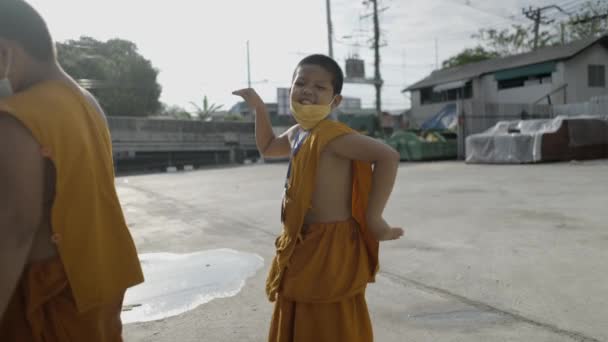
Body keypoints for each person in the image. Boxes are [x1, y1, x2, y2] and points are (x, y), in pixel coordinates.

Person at [233, 54, 403, 342]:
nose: (308, 90)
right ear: (290, 89)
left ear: (335, 101)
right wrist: (260, 109)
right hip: (301, 241)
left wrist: (374, 218)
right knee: (297, 307)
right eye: (300, 82)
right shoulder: (297, 133)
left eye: (320, 87)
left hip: (330, 245)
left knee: (329, 318)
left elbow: (387, 155)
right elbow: (268, 147)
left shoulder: (334, 136)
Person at [0, 1, 143, 341]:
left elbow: (15, 229)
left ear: (6, 52)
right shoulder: (87, 102)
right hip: (97, 286)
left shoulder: (16, 117)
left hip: (44, 296)